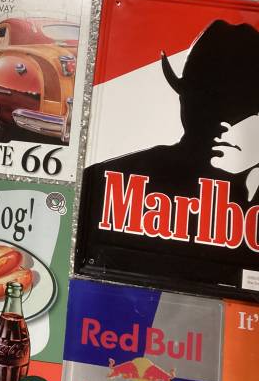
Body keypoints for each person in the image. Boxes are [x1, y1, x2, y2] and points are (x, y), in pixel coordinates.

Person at [77, 20, 259, 293]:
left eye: (239, 109)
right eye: (205, 104)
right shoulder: (105, 181)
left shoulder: (105, 178)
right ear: (185, 102)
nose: (221, 123)